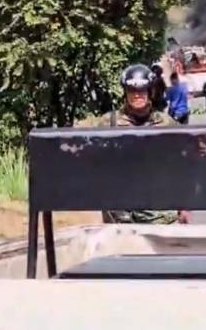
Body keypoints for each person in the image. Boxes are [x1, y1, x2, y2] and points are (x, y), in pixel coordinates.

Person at [75, 64, 191, 225]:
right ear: (125, 92)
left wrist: (184, 205)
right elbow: (80, 147)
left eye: (142, 90)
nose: (137, 95)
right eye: (132, 90)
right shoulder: (108, 122)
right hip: (119, 213)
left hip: (158, 212)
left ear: (150, 92)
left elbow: (182, 165)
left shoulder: (166, 123)